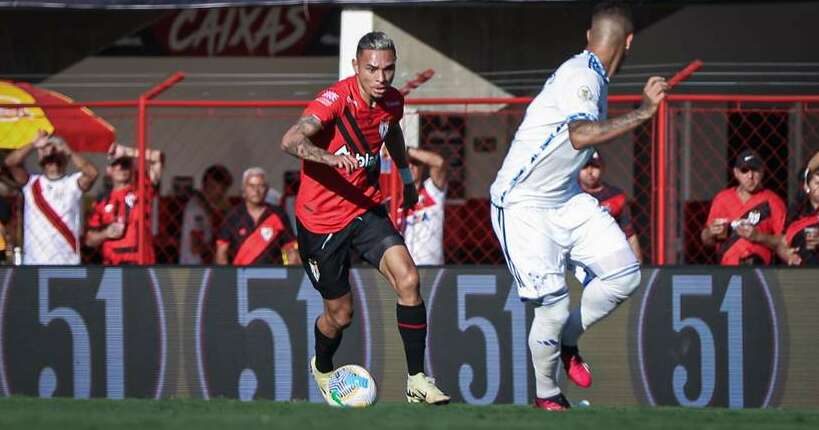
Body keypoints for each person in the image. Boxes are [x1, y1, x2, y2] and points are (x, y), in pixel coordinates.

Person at [488, 3, 667, 410]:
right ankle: (547, 397)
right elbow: (580, 133)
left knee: (625, 275)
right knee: (552, 303)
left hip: (565, 198)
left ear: (590, 35)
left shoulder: (593, 76)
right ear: (630, 42)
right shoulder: (582, 75)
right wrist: (644, 112)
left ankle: (567, 342)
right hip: (522, 204)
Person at [280, 31, 450, 404]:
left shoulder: (392, 101)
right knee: (340, 316)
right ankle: (322, 366)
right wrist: (328, 158)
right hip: (320, 222)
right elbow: (291, 140)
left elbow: (392, 135)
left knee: (408, 279)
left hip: (364, 207)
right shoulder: (335, 101)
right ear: (356, 66)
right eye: (372, 69)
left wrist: (406, 177)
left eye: (388, 69)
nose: (381, 77)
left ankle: (416, 380)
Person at [3, 130, 98, 265]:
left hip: (67, 263)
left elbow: (92, 173)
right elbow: (10, 162)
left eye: (53, 150)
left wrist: (68, 150)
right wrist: (34, 144)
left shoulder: (72, 183)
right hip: (34, 263)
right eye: (44, 150)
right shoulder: (31, 183)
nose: (50, 153)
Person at [701, 149, 786, 265]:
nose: (750, 176)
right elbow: (706, 240)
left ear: (762, 172)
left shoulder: (773, 200)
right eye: (744, 170)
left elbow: (785, 240)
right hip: (728, 269)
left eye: (755, 170)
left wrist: (758, 237)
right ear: (736, 173)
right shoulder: (722, 199)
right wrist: (711, 232)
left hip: (760, 270)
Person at [85, 143, 163, 265]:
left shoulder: (142, 190)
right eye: (116, 164)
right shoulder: (102, 201)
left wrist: (128, 152)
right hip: (112, 265)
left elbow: (158, 158)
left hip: (141, 264)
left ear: (132, 168)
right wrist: (105, 233)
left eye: (126, 164)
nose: (121, 167)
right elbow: (89, 240)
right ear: (109, 170)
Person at [214, 167, 300, 266]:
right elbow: (221, 252)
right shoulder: (233, 215)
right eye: (251, 186)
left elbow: (290, 248)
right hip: (240, 276)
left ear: (267, 189)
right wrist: (227, 278)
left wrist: (290, 276)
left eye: (261, 186)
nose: (256, 190)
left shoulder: (278, 214)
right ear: (243, 189)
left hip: (273, 276)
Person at [578, 150, 641, 262]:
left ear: (602, 168)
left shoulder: (616, 196)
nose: (590, 171)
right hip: (578, 255)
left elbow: (629, 234)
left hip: (609, 256)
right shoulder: (569, 196)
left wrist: (638, 265)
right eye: (585, 167)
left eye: (595, 166)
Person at [398, 146, 448, 265]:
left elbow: (439, 163)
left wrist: (406, 151)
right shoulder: (394, 201)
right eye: (406, 163)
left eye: (415, 162)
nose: (410, 166)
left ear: (422, 167)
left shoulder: (432, 190)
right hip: (405, 270)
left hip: (431, 266)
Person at [179, 164, 233, 264]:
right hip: (194, 267)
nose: (222, 195)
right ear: (210, 186)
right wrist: (220, 247)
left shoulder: (205, 207)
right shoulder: (197, 210)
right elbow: (195, 247)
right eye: (221, 191)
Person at [778, 152, 819, 266]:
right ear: (807, 186)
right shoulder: (797, 213)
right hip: (801, 275)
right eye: (817, 183)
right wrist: (786, 254)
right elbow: (782, 243)